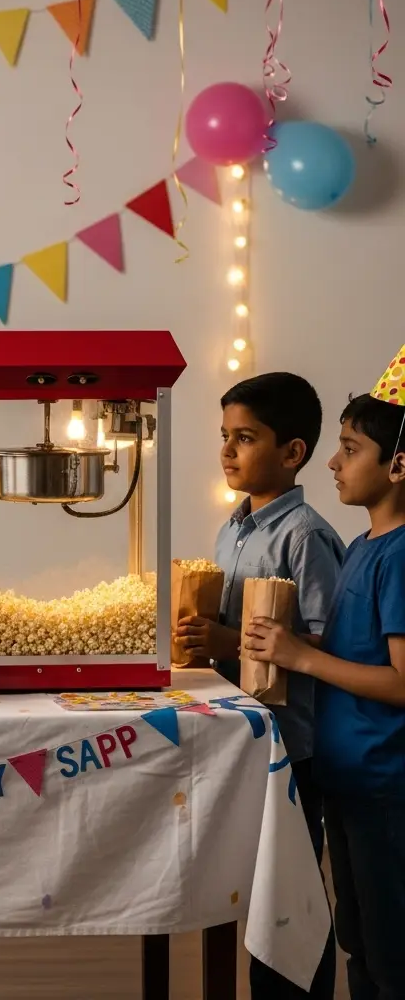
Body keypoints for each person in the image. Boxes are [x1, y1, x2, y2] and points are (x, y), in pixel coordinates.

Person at [174, 372, 341, 1000]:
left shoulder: (307, 537)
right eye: (224, 436)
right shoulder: (232, 529)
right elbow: (230, 624)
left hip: (292, 743)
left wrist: (226, 642)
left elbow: (329, 643)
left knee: (290, 891)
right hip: (242, 734)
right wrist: (203, 636)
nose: (227, 451)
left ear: (292, 452)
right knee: (247, 879)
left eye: (245, 438)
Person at [245, 381, 405, 999]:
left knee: (391, 951)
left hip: (385, 784)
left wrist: (300, 656)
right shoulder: (364, 545)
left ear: (398, 464)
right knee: (357, 939)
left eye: (350, 448)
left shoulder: (398, 557)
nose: (333, 463)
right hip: (347, 781)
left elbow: (400, 680)